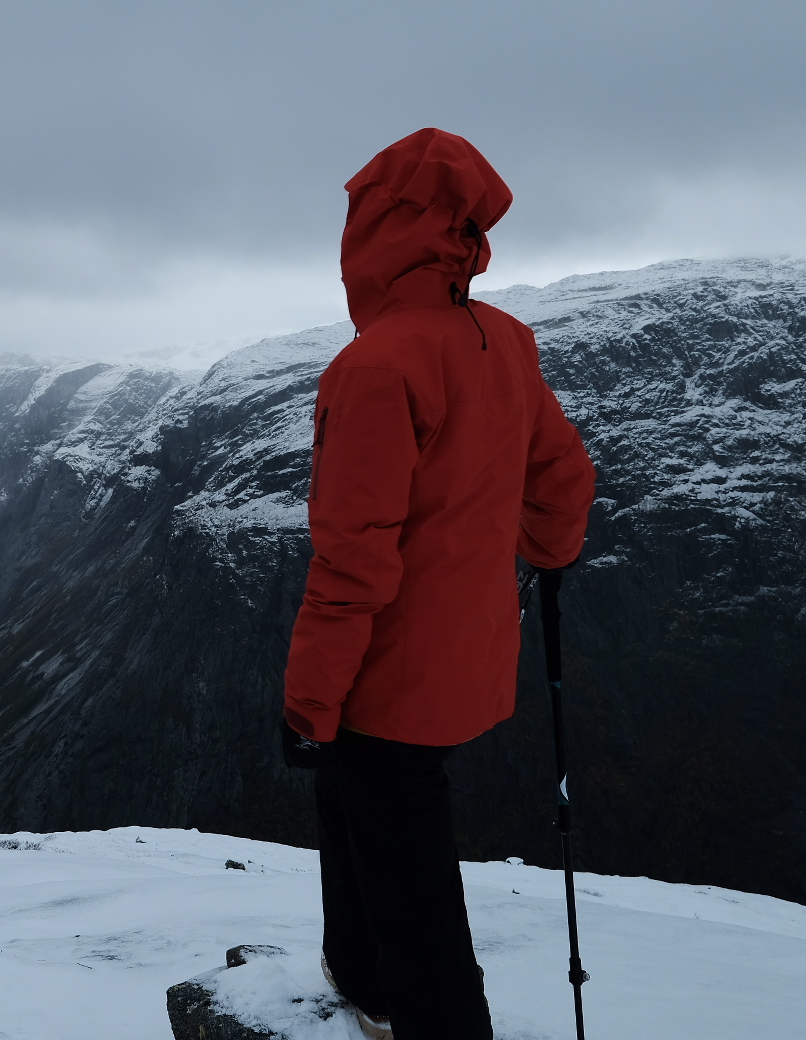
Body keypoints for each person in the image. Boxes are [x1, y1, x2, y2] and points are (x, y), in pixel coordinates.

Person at [281, 129, 597, 1040]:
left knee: (408, 865)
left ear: (379, 230)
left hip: (390, 678)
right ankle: (365, 975)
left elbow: (353, 559)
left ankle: (430, 1015)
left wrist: (308, 699)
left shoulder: (377, 367)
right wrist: (549, 552)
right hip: (472, 658)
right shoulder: (504, 341)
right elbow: (562, 480)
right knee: (349, 800)